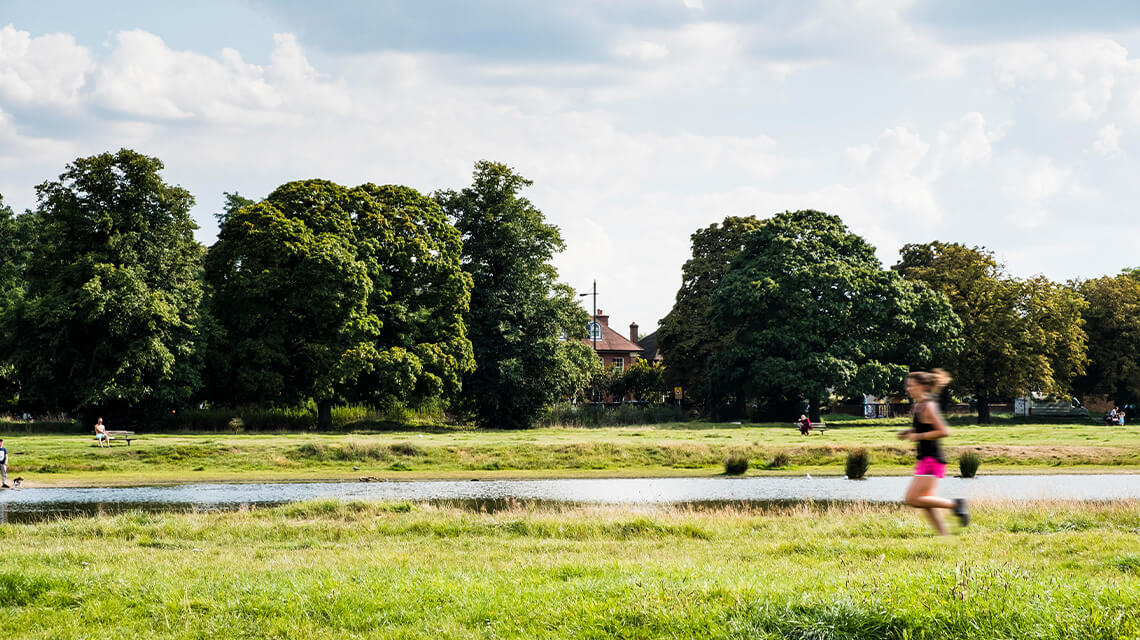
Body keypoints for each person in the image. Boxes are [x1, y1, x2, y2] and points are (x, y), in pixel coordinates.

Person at [897, 369, 969, 535]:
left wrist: (918, 435)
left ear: (922, 386)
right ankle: (944, 536)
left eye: (911, 386)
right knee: (926, 500)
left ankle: (955, 505)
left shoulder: (929, 406)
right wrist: (908, 433)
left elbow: (943, 431)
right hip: (925, 458)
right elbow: (923, 428)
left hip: (932, 460)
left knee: (912, 499)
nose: (908, 389)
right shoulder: (918, 406)